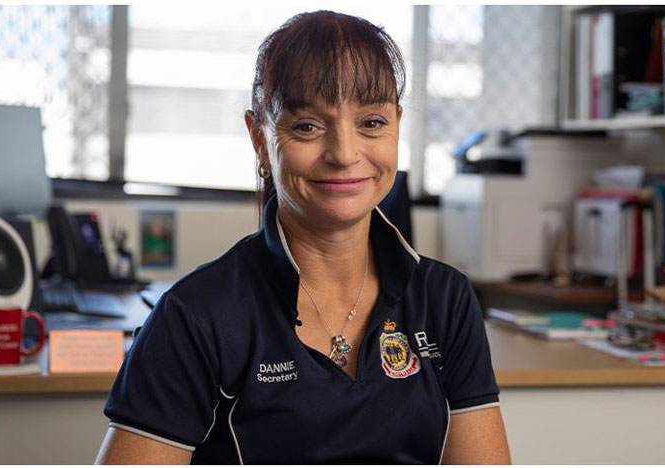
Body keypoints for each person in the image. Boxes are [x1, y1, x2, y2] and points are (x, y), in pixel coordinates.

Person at [96, 10, 510, 464]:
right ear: (259, 138)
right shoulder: (196, 317)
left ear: (396, 124)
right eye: (308, 126)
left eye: (371, 122)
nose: (344, 154)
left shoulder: (445, 299)